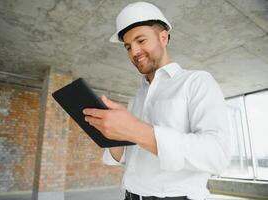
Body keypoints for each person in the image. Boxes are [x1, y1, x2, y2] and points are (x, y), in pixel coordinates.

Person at [83, 2, 231, 200]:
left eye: (141, 40)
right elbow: (127, 158)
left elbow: (217, 155)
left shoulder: (197, 82)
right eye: (128, 47)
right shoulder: (136, 98)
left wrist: (135, 129)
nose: (134, 52)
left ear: (163, 37)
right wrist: (112, 134)